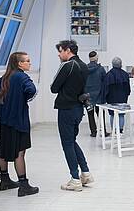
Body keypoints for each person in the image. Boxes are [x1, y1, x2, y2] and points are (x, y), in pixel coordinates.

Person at [51, 40, 94, 192]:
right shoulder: (83, 65)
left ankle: (75, 179)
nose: (59, 54)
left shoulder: (67, 65)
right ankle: (86, 173)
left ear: (68, 50)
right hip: (78, 108)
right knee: (72, 141)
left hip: (66, 109)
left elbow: (54, 88)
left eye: (60, 50)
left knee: (67, 143)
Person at [0, 52, 39, 197]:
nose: (29, 63)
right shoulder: (22, 76)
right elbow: (31, 90)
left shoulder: (6, 76)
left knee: (4, 150)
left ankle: (5, 180)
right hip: (18, 120)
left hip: (5, 120)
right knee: (20, 152)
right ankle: (23, 185)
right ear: (19, 63)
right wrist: (22, 97)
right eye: (27, 61)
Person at [84, 51, 108, 137]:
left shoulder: (85, 69)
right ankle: (103, 131)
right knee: (101, 114)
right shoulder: (100, 69)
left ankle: (93, 132)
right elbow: (105, 81)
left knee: (90, 115)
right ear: (96, 58)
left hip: (88, 96)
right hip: (99, 96)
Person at [105, 57, 131, 133]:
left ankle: (114, 130)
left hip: (111, 98)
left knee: (112, 114)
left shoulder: (109, 75)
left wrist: (106, 98)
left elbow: (106, 89)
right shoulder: (125, 74)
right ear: (121, 64)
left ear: (112, 64)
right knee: (121, 114)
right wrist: (127, 95)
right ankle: (120, 130)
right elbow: (128, 89)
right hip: (123, 97)